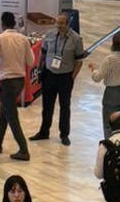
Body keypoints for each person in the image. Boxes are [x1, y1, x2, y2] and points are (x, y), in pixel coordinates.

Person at [0, 12, 34, 160]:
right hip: (20, 81)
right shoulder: (23, 39)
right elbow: (31, 62)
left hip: (6, 81)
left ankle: (24, 149)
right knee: (4, 111)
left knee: (12, 116)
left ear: (2, 23)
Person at [32, 9, 82, 145]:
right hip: (49, 74)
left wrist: (73, 77)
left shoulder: (76, 39)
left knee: (65, 106)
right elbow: (42, 54)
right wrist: (38, 69)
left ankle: (64, 134)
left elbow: (79, 61)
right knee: (47, 106)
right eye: (57, 23)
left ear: (68, 24)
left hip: (65, 77)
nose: (58, 26)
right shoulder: (49, 35)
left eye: (61, 23)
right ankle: (44, 132)